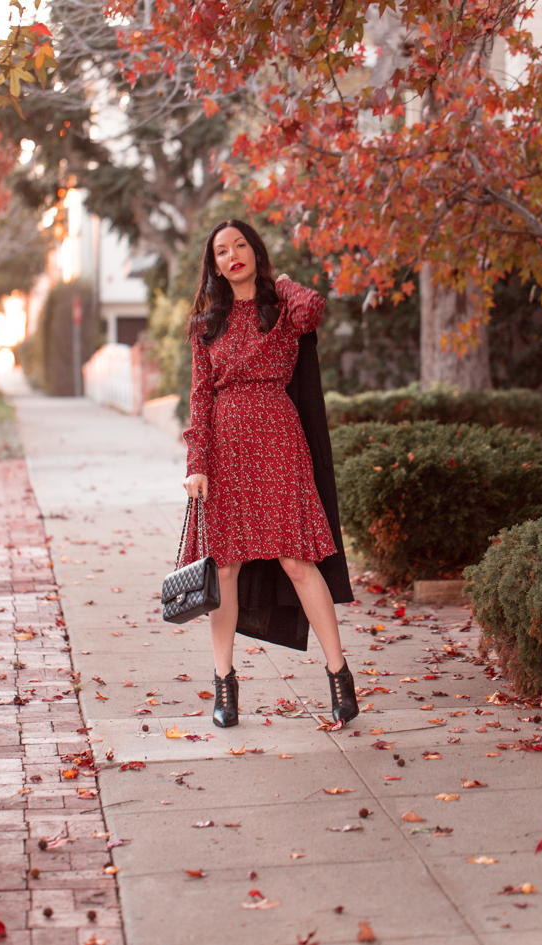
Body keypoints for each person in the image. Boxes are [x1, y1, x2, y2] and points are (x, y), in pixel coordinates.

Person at [182, 219, 358, 729]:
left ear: (256, 252)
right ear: (213, 265)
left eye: (241, 246)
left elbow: (315, 306)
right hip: (226, 450)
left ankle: (339, 674)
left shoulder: (282, 310)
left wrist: (280, 283)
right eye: (221, 250)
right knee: (226, 568)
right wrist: (197, 465)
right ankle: (224, 684)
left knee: (299, 561)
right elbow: (200, 398)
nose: (232, 255)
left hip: (279, 442)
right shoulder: (205, 324)